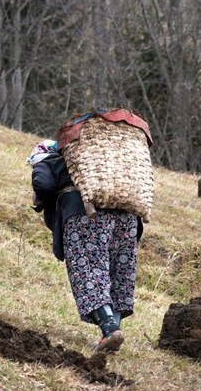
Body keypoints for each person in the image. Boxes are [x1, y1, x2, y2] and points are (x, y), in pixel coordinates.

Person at [29, 139, 141, 354]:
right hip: (127, 217)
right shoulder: (104, 164)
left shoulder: (48, 160)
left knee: (88, 271)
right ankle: (111, 336)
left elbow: (43, 184)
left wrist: (40, 200)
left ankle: (109, 329)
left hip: (86, 215)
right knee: (118, 274)